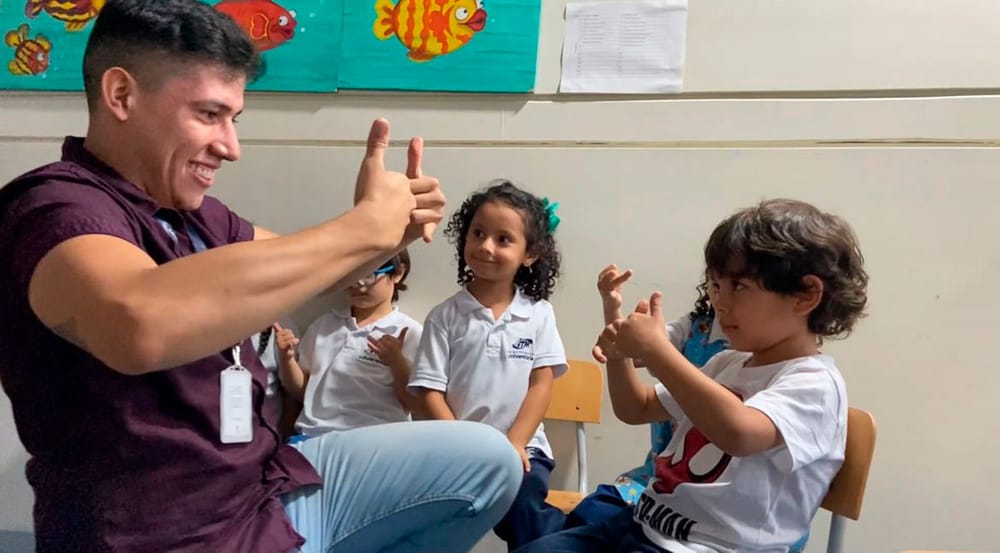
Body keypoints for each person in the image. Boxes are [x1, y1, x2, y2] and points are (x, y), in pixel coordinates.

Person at [0, 1, 521, 552]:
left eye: (234, 120)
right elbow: (137, 323)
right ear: (121, 94)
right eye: (209, 115)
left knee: (488, 461)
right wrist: (361, 229)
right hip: (173, 536)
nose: (231, 147)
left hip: (265, 487)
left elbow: (311, 271)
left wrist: (389, 234)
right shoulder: (51, 209)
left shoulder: (198, 216)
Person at [515, 198, 868, 553]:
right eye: (716, 286)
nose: (720, 303)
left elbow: (739, 433)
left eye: (738, 286)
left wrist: (658, 351)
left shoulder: (816, 384)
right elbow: (635, 408)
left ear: (805, 296)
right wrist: (619, 355)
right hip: (643, 526)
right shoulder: (727, 364)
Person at [408, 181, 568, 551]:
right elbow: (429, 393)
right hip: (457, 450)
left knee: (524, 511)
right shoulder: (444, 316)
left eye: (503, 239)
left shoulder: (539, 314)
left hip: (523, 450)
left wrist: (515, 444)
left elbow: (541, 385)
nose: (485, 246)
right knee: (430, 518)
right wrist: (463, 446)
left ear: (530, 254)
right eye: (478, 233)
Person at [275, 250, 424, 437]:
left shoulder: (408, 332)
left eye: (368, 274)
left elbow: (414, 404)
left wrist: (396, 362)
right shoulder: (324, 326)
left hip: (378, 439)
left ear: (398, 272)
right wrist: (287, 358)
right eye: (350, 274)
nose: (357, 283)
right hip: (315, 435)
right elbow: (302, 390)